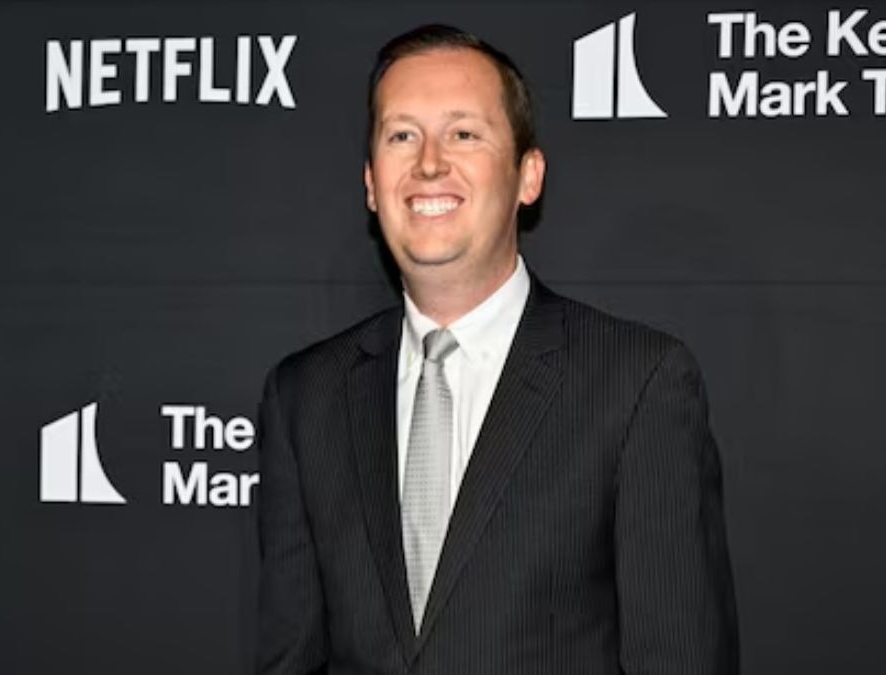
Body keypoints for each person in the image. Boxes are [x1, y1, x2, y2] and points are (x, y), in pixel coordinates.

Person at [256, 23, 739, 675]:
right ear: (371, 182)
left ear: (527, 176)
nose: (429, 163)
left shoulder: (636, 384)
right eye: (402, 136)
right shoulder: (304, 397)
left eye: (463, 134)